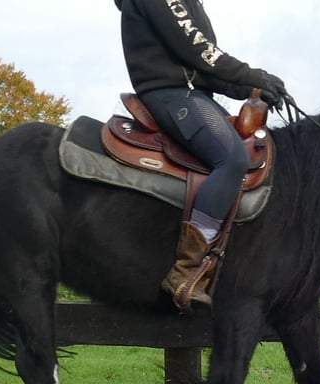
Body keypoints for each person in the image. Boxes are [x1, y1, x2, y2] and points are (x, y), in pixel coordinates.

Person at [114, 0, 288, 309]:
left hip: (195, 95)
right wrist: (255, 75)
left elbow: (205, 71)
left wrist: (253, 90)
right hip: (170, 94)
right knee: (232, 159)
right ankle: (186, 270)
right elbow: (201, 52)